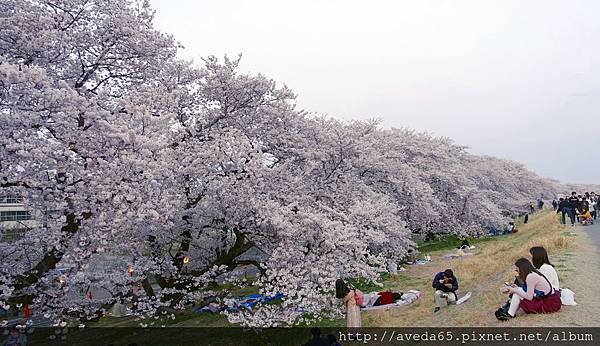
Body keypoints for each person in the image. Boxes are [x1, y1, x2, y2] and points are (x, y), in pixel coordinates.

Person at [496, 258, 561, 320]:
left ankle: (510, 314)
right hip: (549, 300)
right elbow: (530, 290)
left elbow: (529, 297)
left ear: (522, 268)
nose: (516, 270)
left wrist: (514, 290)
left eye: (517, 268)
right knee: (518, 291)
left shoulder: (530, 277)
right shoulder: (532, 273)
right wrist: (517, 288)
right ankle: (510, 313)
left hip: (547, 303)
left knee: (517, 292)